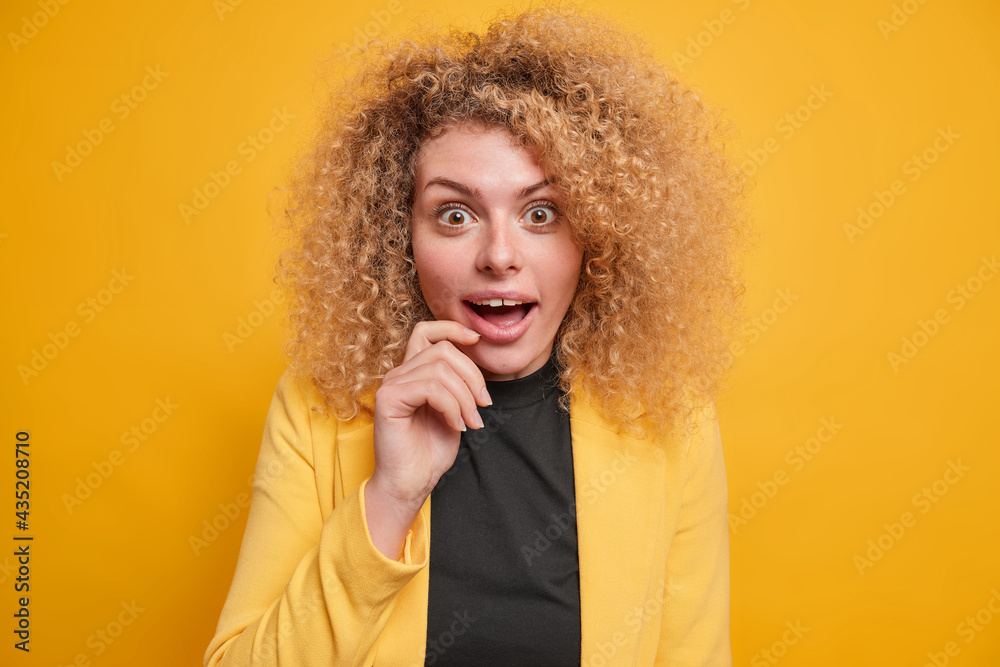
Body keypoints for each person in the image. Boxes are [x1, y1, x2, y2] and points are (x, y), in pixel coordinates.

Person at [205, 4, 746, 666]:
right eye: (455, 214)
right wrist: (390, 495)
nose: (499, 254)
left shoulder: (669, 416)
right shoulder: (319, 410)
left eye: (541, 212)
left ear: (595, 235)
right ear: (397, 234)